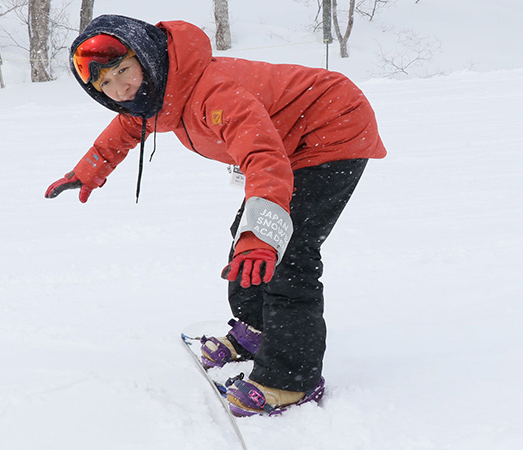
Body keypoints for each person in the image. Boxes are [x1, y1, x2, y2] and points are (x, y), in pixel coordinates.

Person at [45, 15, 386, 416]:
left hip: (332, 128)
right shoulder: (159, 92)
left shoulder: (214, 93)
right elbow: (125, 128)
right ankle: (257, 329)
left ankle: (292, 381)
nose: (122, 87)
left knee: (286, 251)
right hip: (288, 140)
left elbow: (263, 158)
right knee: (251, 237)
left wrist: (263, 238)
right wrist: (88, 170)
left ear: (146, 57)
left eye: (124, 70)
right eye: (106, 85)